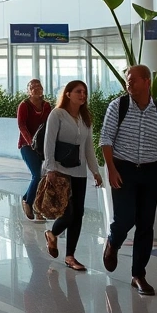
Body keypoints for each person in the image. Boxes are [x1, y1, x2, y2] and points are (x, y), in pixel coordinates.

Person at [100, 65, 157, 296]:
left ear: (147, 81)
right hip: (123, 170)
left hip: (150, 172)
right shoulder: (118, 106)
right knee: (125, 219)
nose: (129, 84)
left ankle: (139, 274)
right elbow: (105, 138)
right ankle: (113, 242)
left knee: (146, 224)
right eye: (127, 80)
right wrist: (111, 169)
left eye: (133, 80)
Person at [41, 80, 102, 271]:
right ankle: (53, 233)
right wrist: (50, 168)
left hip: (79, 172)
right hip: (60, 171)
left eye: (84, 92)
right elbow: (49, 143)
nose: (82, 95)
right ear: (68, 94)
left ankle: (70, 256)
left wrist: (95, 171)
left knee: (78, 214)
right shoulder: (57, 114)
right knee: (68, 213)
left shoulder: (85, 119)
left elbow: (88, 148)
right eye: (78, 91)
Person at [17, 79, 51, 221]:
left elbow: (50, 124)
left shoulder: (47, 106)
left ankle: (31, 201)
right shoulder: (24, 105)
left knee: (43, 177)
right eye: (33, 87)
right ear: (28, 91)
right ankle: (28, 202)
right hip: (27, 146)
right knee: (36, 174)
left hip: (43, 146)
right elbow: (22, 125)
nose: (36, 88)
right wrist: (31, 142)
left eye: (39, 86)